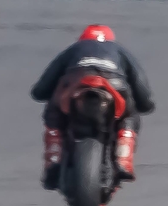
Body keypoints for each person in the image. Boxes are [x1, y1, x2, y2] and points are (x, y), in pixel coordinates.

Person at [30, 25, 155, 188]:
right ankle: (124, 157)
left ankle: (54, 157)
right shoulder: (119, 51)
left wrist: (41, 93)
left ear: (83, 39)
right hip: (115, 86)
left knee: (54, 112)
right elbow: (140, 82)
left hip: (76, 83)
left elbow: (42, 87)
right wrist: (145, 104)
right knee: (129, 116)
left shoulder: (74, 49)